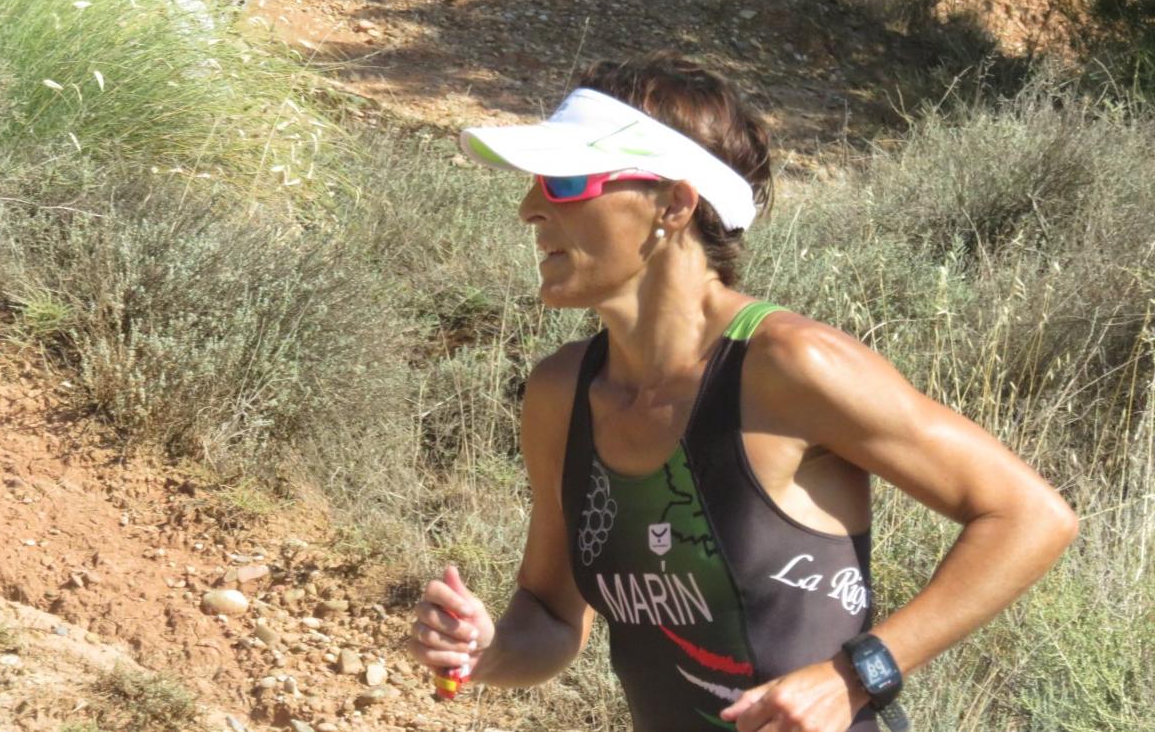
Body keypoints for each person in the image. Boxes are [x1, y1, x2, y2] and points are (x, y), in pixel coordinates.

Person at [406, 52, 1078, 732]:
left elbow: (1030, 516)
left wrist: (858, 673)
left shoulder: (788, 365)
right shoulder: (562, 391)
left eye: (565, 182)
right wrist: (488, 650)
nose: (528, 209)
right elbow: (551, 615)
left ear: (673, 203)